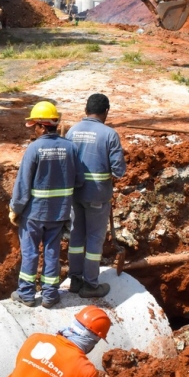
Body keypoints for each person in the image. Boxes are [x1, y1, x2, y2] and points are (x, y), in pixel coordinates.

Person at [9, 101, 82, 309]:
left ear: (42, 126)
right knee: (52, 252)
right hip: (58, 213)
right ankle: (50, 296)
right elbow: (78, 180)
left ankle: (27, 294)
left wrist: (15, 208)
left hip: (33, 214)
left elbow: (23, 184)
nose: (34, 131)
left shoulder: (34, 148)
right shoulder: (70, 147)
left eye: (35, 127)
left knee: (30, 253)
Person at [66, 93, 126, 299]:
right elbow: (119, 170)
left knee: (76, 235)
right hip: (97, 196)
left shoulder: (72, 132)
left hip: (75, 194)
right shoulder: (109, 135)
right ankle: (90, 285)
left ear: (86, 110)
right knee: (94, 239)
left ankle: (75, 279)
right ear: (106, 112)